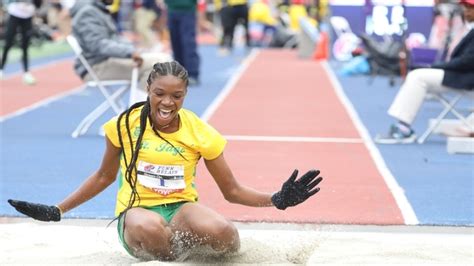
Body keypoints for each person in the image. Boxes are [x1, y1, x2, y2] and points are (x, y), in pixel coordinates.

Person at [7, 60, 324, 261]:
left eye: (177, 96)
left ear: (185, 95)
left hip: (181, 208)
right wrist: (58, 210)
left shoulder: (200, 132)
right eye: (160, 93)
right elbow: (104, 176)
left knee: (224, 234)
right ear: (148, 89)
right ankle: (171, 256)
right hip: (137, 214)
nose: (167, 103)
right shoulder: (124, 125)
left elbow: (232, 191)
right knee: (153, 230)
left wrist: (277, 199)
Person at [374, 0, 474, 144]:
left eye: (470, 8)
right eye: (465, 7)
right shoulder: (469, 28)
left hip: (467, 79)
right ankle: (403, 126)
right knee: (418, 75)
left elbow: (468, 61)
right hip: (464, 75)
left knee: (418, 76)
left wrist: (439, 66)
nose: (466, 11)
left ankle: (403, 129)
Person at [69, 0, 171, 94]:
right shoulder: (88, 12)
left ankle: (142, 106)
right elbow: (98, 44)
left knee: (163, 59)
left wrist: (133, 49)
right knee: (158, 65)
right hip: (96, 67)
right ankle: (141, 109)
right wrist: (129, 52)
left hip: (104, 60)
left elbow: (112, 39)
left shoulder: (96, 9)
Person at [0, 0, 43, 85]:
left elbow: (38, 4)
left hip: (27, 16)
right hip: (15, 14)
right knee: (8, 43)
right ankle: (1, 69)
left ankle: (26, 73)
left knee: (25, 46)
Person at [163, 0, 200, 86]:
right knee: (175, 43)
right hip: (172, 11)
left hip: (188, 11)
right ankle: (179, 73)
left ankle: (192, 74)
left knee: (188, 43)